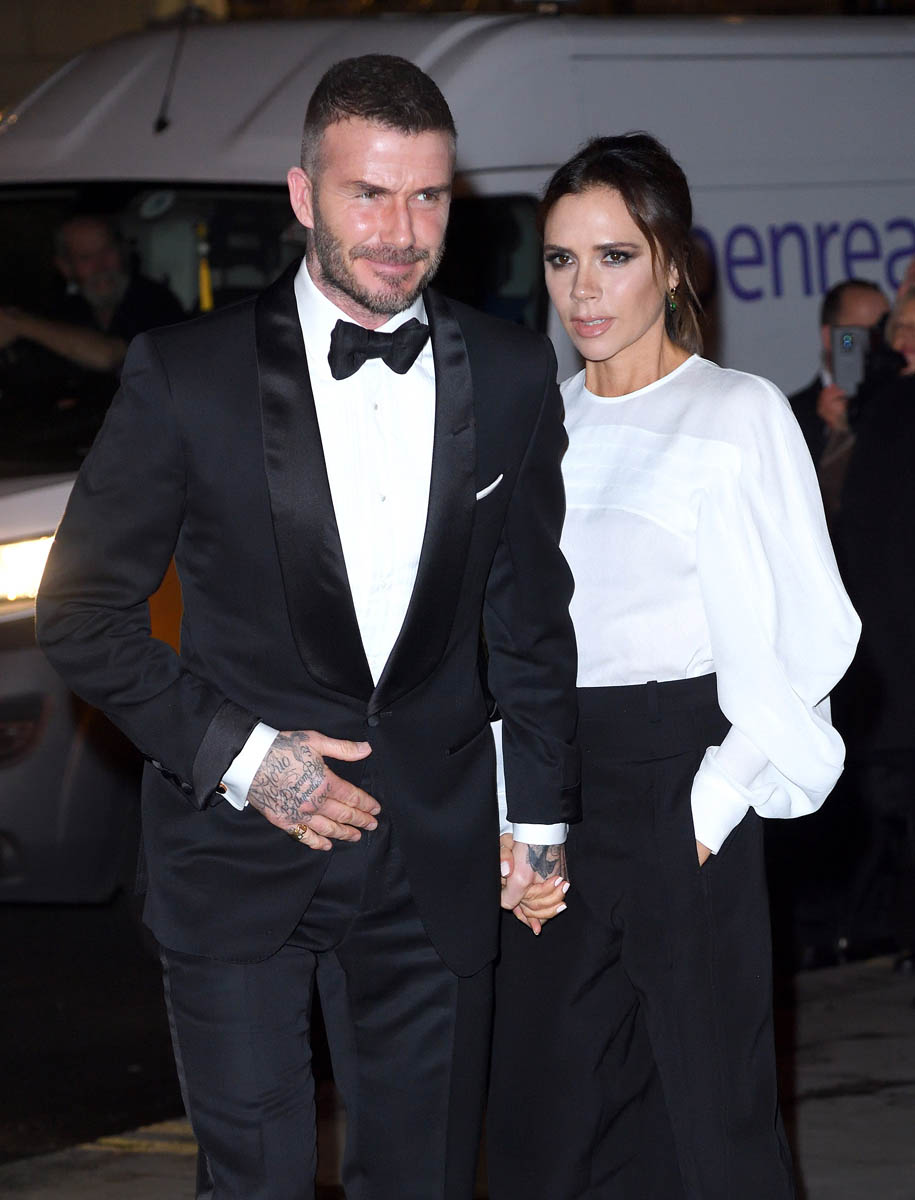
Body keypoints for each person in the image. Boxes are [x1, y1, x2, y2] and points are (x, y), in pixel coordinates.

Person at [35, 56, 579, 1200]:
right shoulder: (187, 375)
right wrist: (245, 757)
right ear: (302, 195)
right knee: (259, 1183)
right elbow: (81, 611)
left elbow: (530, 617)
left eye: (426, 198)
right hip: (238, 855)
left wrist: (536, 818)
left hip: (433, 860)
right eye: (366, 194)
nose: (400, 232)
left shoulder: (514, 372)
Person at [488, 133, 860, 1200]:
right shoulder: (540, 423)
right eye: (561, 259)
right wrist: (517, 816)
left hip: (680, 781)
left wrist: (713, 800)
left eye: (613, 256)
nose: (583, 289)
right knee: (552, 1128)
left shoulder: (737, 412)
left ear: (672, 263)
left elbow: (814, 630)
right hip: (558, 789)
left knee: (709, 1124)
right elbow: (511, 638)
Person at [0, 213, 184, 376]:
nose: (101, 266)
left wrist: (21, 324)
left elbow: (110, 357)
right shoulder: (65, 310)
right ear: (65, 268)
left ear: (123, 251)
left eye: (107, 251)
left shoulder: (156, 301)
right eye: (86, 258)